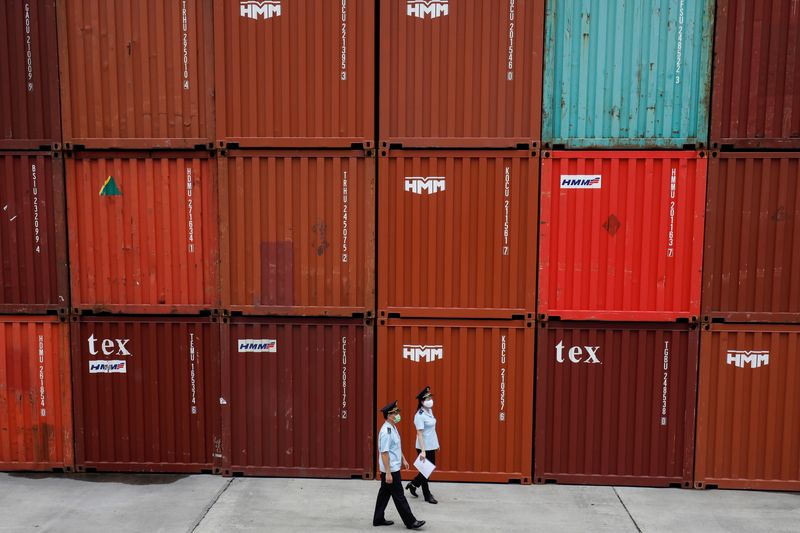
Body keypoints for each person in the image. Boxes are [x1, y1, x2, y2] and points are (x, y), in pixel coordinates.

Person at [373, 400, 426, 530]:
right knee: (399, 496)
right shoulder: (386, 431)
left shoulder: (392, 428)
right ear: (389, 415)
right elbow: (384, 453)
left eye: (397, 412)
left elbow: (394, 447)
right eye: (395, 412)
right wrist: (388, 473)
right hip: (391, 469)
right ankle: (411, 522)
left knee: (384, 494)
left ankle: (378, 518)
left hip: (393, 467)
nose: (398, 414)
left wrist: (403, 459)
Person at [406, 386, 439, 504]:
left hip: (431, 445)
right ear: (421, 401)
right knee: (426, 471)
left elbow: (432, 430)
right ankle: (427, 495)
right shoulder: (419, 415)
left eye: (430, 397)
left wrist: (437, 444)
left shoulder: (429, 411)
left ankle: (413, 484)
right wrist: (423, 451)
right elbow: (419, 434)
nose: (430, 399)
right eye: (427, 398)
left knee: (429, 469)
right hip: (423, 446)